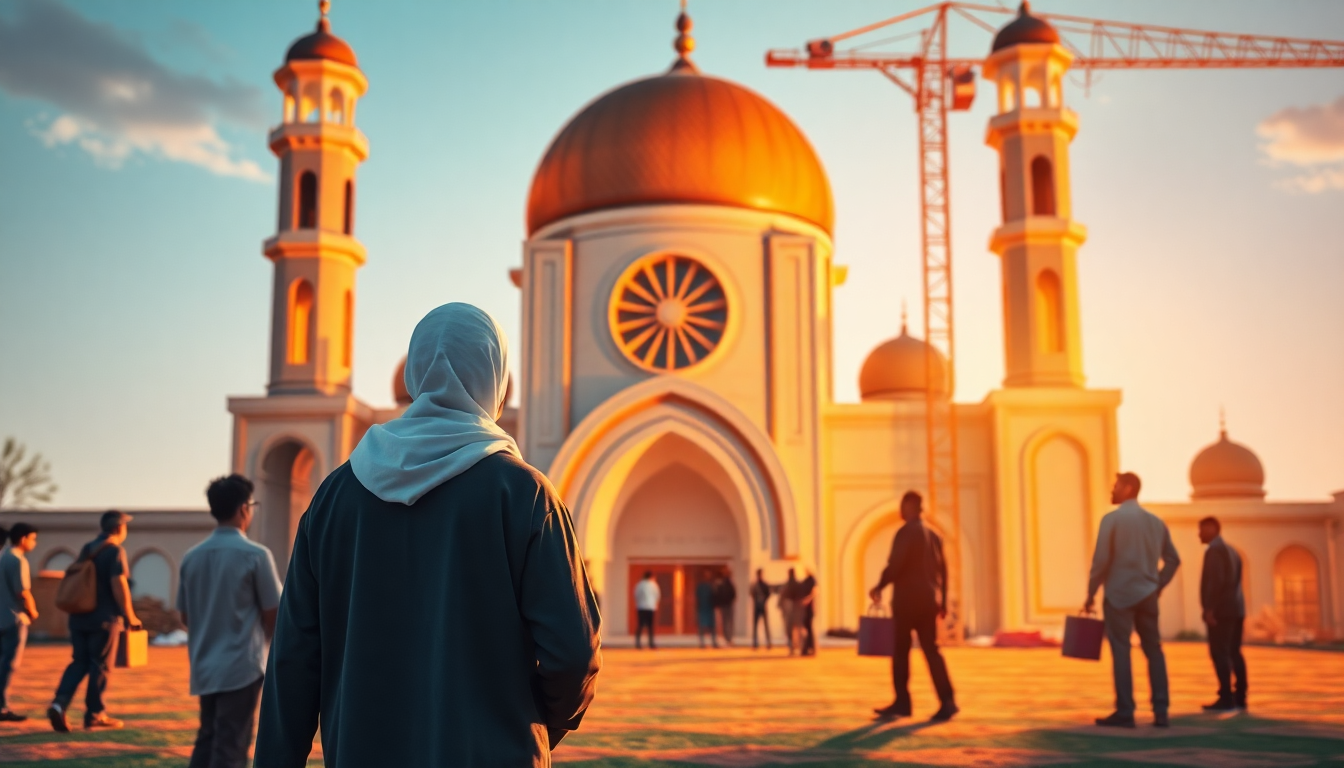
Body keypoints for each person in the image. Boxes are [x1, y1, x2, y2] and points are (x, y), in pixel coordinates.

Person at [255, 303, 601, 767]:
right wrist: (534, 722)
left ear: (416, 374)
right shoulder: (522, 494)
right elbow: (573, 653)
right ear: (494, 379)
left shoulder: (335, 497)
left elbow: (294, 660)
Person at [178, 474, 283, 768]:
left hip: (203, 664)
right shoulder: (256, 555)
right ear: (243, 509)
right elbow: (273, 612)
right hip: (241, 666)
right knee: (231, 745)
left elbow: (185, 616)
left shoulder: (192, 557)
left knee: (208, 738)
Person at [1084, 472, 1180, 729]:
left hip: (1119, 597)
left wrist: (1091, 594)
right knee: (1154, 651)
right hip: (1148, 595)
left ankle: (1126, 712)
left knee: (1121, 651)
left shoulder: (1112, 520)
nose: (1112, 491)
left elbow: (1101, 562)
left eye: (1115, 486)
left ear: (1128, 488)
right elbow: (1173, 559)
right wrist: (1157, 584)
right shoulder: (1156, 523)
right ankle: (1161, 711)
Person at [48, 510, 142, 733]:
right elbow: (118, 584)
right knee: (100, 665)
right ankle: (95, 714)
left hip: (79, 617)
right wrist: (130, 615)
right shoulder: (115, 551)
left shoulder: (87, 549)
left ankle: (58, 703)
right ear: (120, 528)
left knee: (79, 662)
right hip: (104, 619)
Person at [869, 491, 957, 722]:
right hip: (929, 601)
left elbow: (896, 564)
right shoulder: (935, 535)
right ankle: (947, 701)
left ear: (910, 505)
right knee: (932, 651)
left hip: (907, 602)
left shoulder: (907, 532)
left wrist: (880, 585)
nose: (900, 509)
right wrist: (943, 601)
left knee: (900, 652)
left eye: (902, 504)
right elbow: (944, 572)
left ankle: (902, 702)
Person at [1198, 516, 1247, 712]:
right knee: (1234, 652)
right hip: (1236, 609)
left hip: (1221, 612)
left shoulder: (1215, 551)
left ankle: (1226, 697)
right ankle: (1241, 696)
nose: (1199, 534)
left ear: (1212, 528)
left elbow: (1216, 582)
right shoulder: (1233, 551)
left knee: (1219, 652)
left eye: (1201, 529)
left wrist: (1210, 609)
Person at [0, 523, 39, 722]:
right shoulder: (17, 560)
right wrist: (32, 611)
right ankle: (2, 707)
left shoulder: (2, 556)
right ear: (23, 539)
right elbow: (22, 591)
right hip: (13, 618)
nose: (35, 543)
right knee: (8, 664)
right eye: (33, 538)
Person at [633, 571, 660, 650]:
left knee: (640, 625)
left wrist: (639, 603)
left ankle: (638, 643)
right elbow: (657, 595)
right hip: (651, 607)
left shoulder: (639, 585)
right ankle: (651, 643)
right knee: (650, 626)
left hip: (641, 607)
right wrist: (655, 603)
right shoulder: (654, 585)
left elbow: (636, 595)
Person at [749, 569, 775, 650]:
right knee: (755, 626)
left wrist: (763, 600)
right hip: (757, 606)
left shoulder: (763, 585)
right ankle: (755, 643)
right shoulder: (755, 585)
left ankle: (768, 643)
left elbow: (768, 594)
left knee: (765, 625)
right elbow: (751, 593)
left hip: (762, 606)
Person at [713, 569, 737, 646]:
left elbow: (718, 594)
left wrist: (719, 604)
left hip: (725, 605)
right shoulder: (729, 583)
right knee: (729, 622)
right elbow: (733, 594)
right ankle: (728, 638)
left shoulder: (722, 584)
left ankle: (727, 638)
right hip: (728, 605)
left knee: (725, 622)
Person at [779, 568, 800, 655]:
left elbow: (782, 597)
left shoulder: (787, 585)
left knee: (789, 630)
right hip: (796, 609)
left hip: (789, 609)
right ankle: (795, 647)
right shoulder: (797, 584)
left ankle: (792, 647)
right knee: (795, 630)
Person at [798, 569, 817, 656]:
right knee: (807, 628)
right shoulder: (806, 581)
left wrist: (807, 600)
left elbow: (814, 592)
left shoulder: (812, 580)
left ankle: (810, 648)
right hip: (805, 609)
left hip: (809, 608)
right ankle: (807, 648)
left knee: (809, 628)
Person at [696, 573, 718, 649]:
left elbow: (715, 597)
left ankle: (714, 642)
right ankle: (702, 643)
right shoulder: (701, 587)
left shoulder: (711, 586)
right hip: (703, 608)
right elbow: (697, 597)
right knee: (702, 627)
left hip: (709, 608)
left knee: (712, 627)